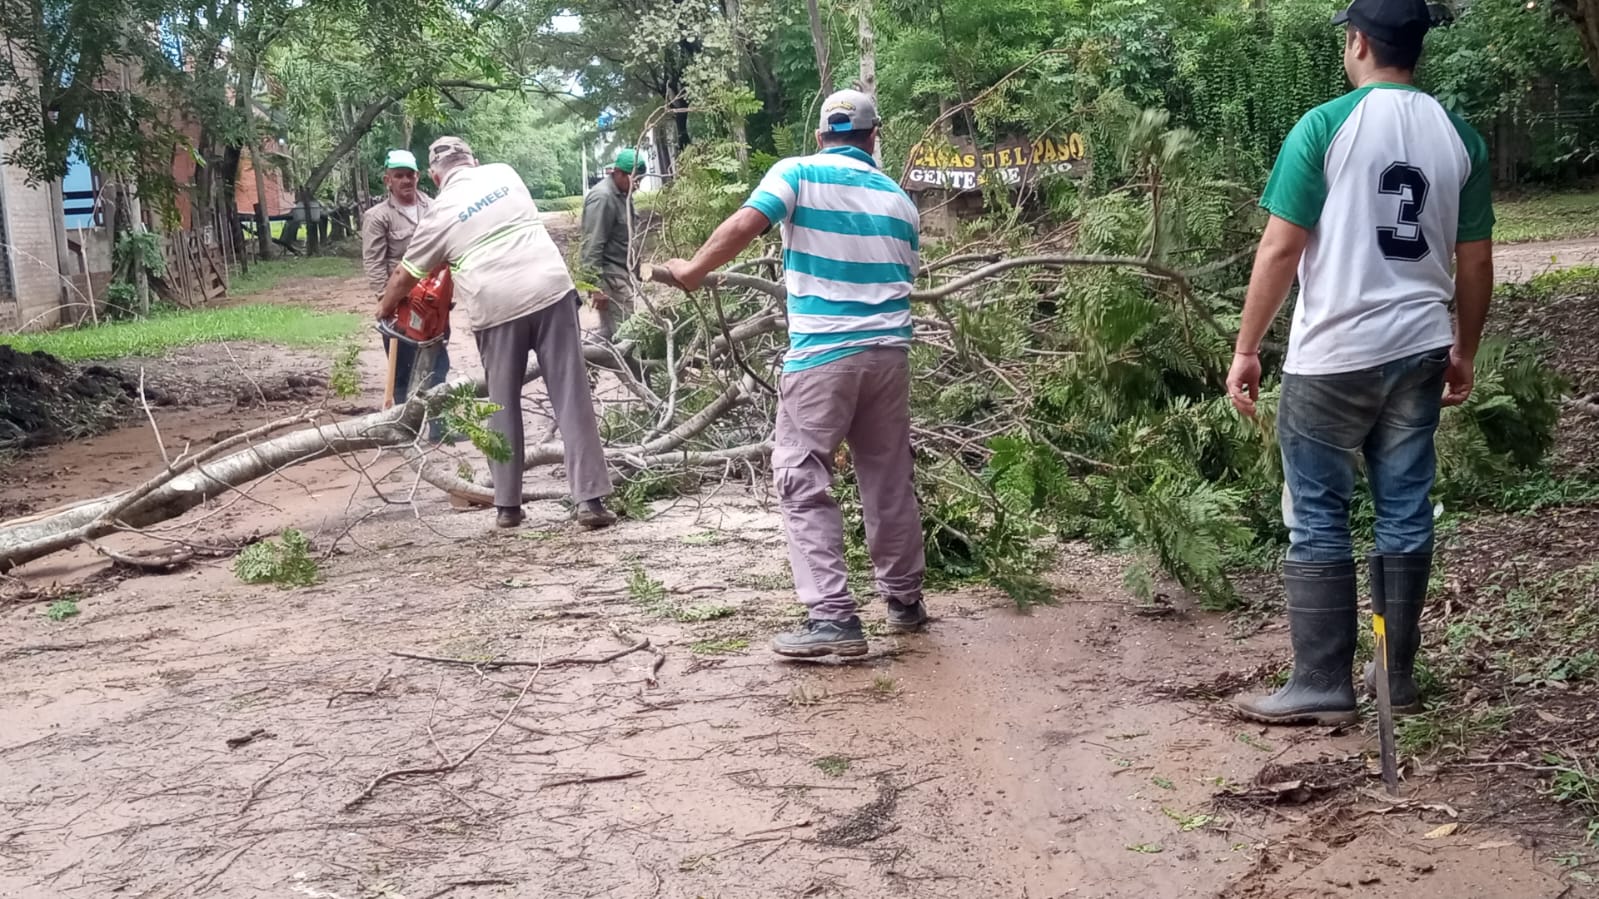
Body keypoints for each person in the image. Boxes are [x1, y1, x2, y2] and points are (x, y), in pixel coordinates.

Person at [1227, 0, 1494, 725]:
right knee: (1404, 506)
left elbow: (1280, 248)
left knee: (1318, 510)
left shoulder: (1323, 126)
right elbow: (1474, 262)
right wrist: (1464, 348)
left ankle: (1320, 681)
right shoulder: (1460, 138)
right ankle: (1393, 677)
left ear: (1357, 43)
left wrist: (1247, 348)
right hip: (1419, 348)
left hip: (1333, 354)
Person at [664, 90, 927, 659]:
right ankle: (905, 601)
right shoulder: (900, 200)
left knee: (801, 475)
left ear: (821, 136)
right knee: (888, 476)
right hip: (889, 355)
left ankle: (833, 617)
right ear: (873, 137)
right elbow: (905, 275)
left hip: (825, 355)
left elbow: (747, 222)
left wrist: (693, 269)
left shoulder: (798, 172)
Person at [377, 137, 618, 531]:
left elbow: (406, 275)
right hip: (551, 290)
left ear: (435, 177)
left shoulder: (438, 213)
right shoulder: (506, 173)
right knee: (571, 396)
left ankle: (507, 506)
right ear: (473, 161)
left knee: (501, 404)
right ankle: (589, 500)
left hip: (496, 308)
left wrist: (384, 308)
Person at [362, 149, 448, 408]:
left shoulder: (435, 207)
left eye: (410, 175)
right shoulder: (377, 217)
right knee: (401, 372)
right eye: (399, 175)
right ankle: (403, 424)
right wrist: (385, 301)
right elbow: (374, 263)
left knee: (438, 366)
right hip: (400, 305)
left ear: (418, 176)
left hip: (433, 303)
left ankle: (438, 424)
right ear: (387, 179)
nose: (406, 180)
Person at [579, 147, 649, 341]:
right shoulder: (603, 198)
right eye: (634, 179)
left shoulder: (623, 194)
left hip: (622, 274)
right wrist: (595, 287)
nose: (637, 185)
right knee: (628, 335)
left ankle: (588, 355)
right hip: (611, 279)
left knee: (614, 334)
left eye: (640, 180)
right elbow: (591, 244)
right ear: (618, 173)